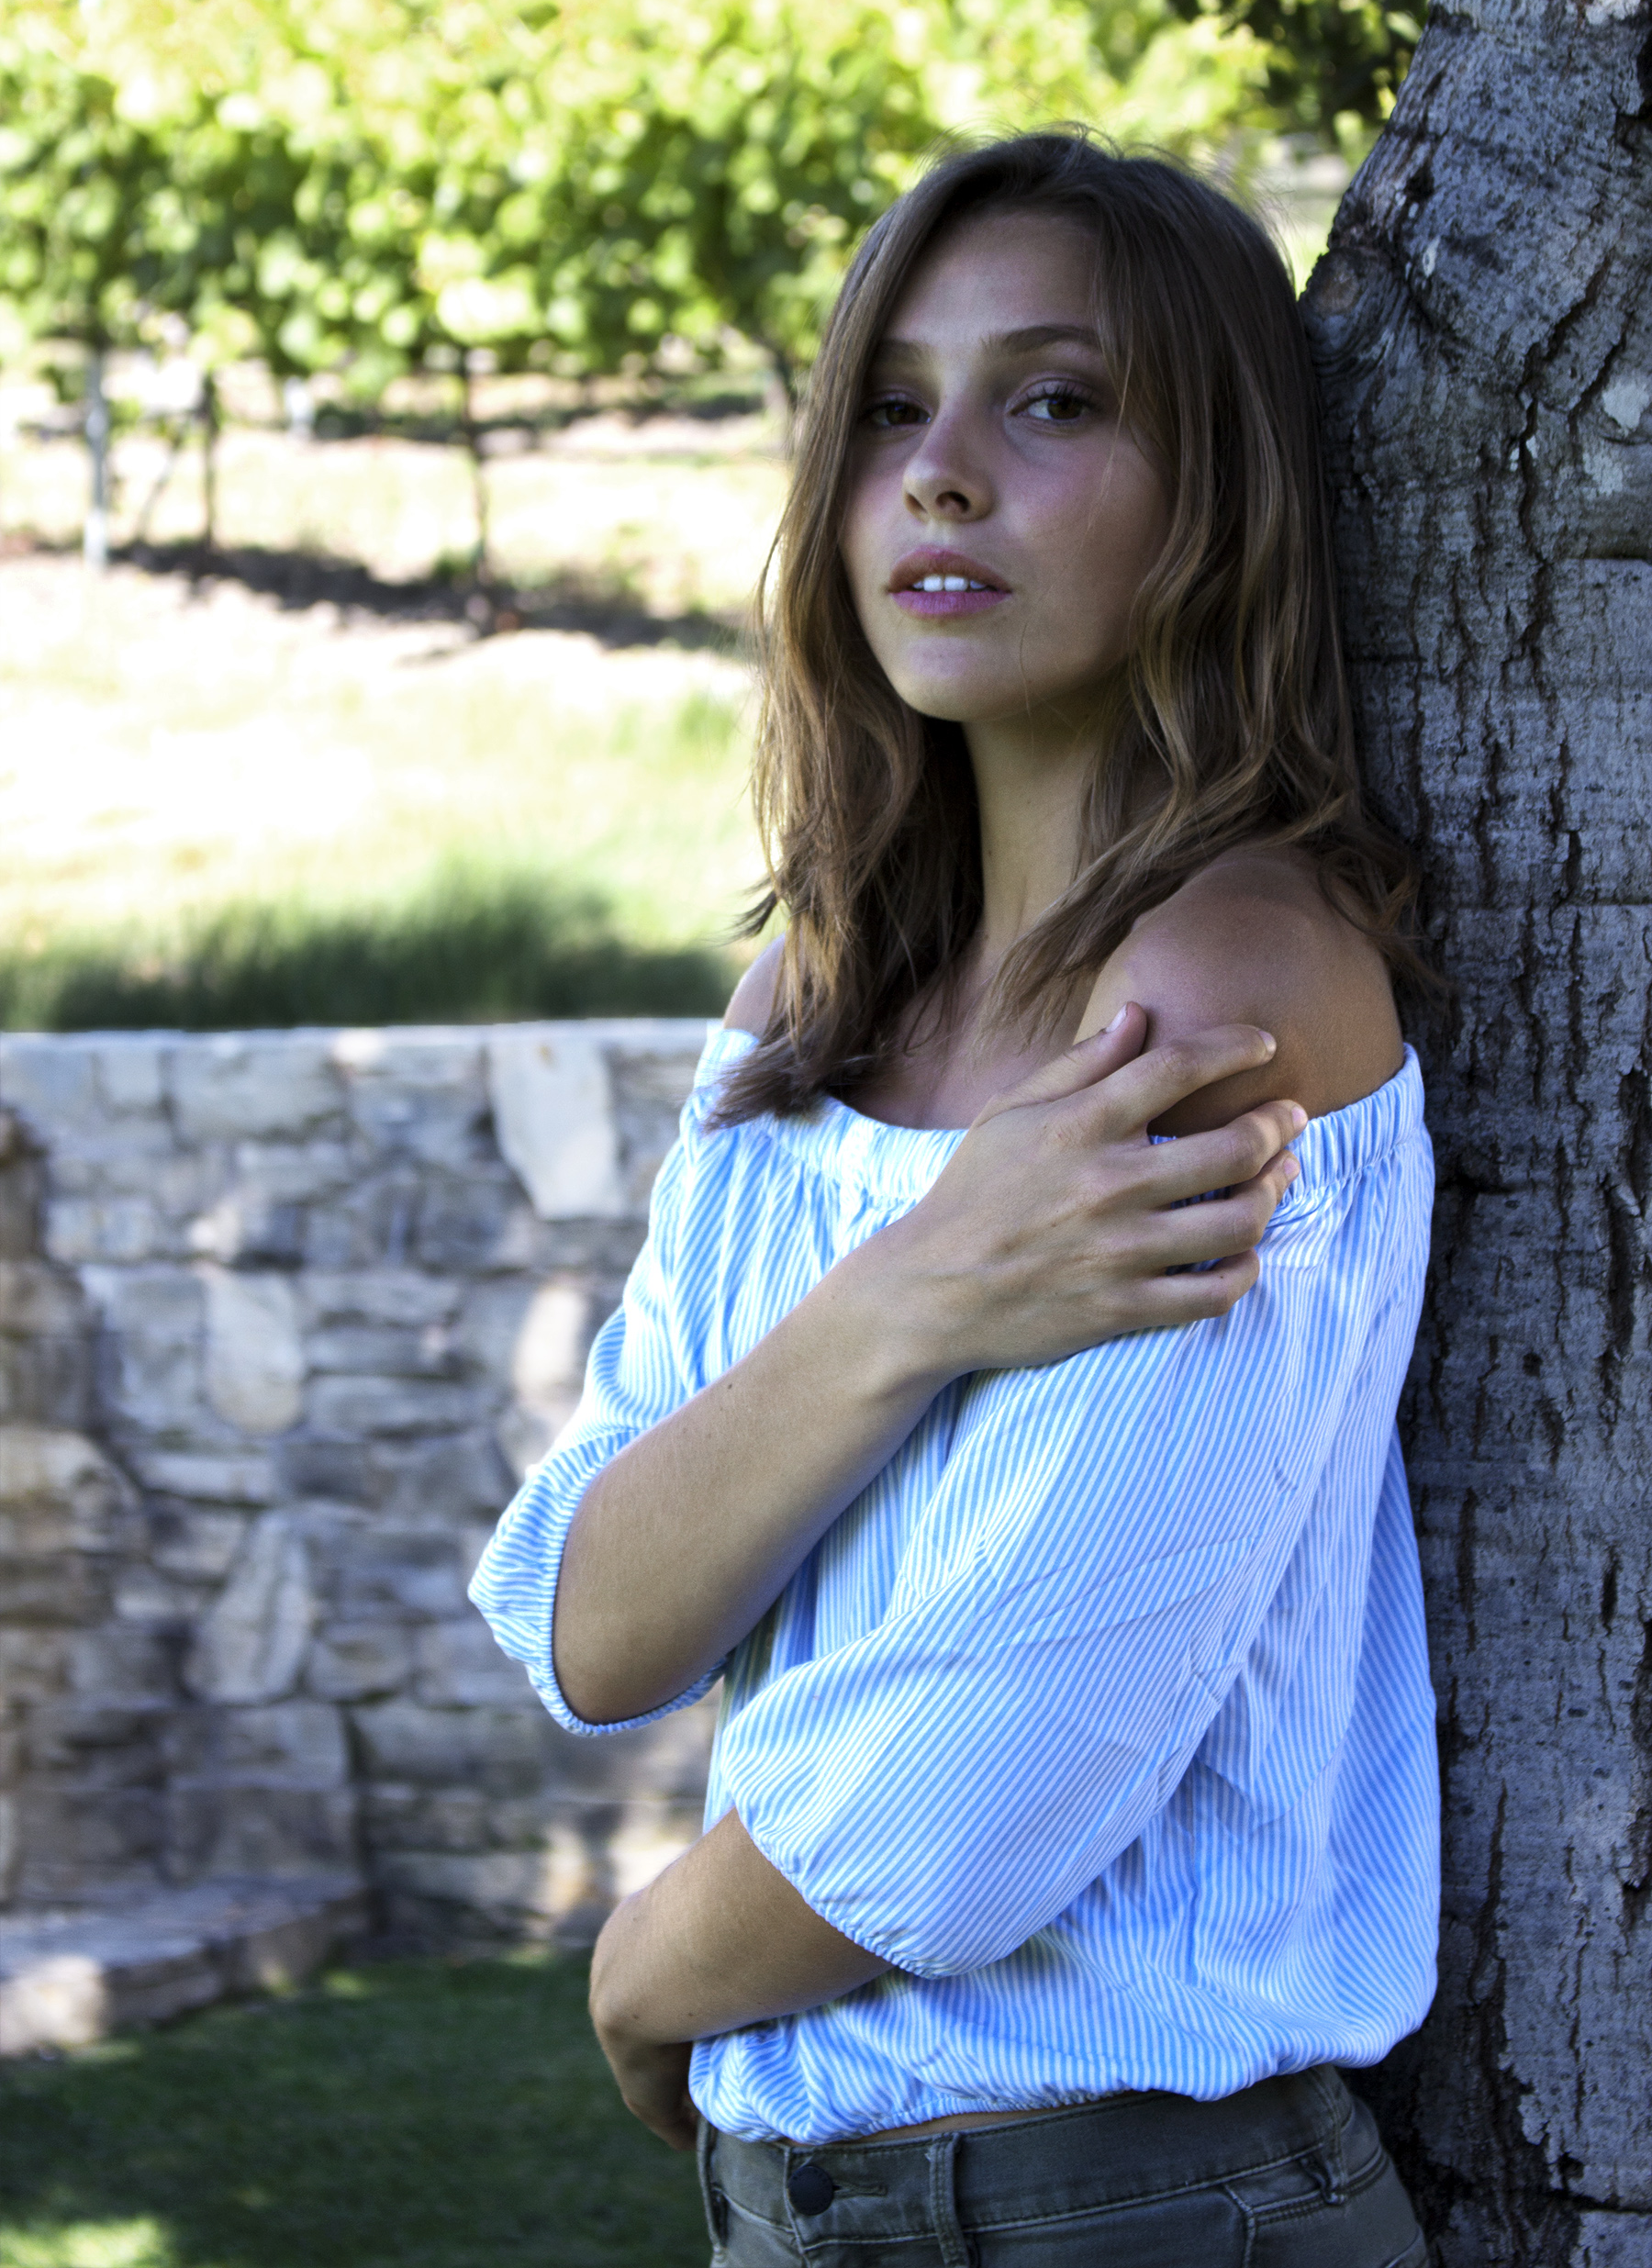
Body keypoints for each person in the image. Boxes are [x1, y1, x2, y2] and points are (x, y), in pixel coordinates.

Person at [471, 128, 1437, 2265]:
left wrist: (640, 1974)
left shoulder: (1224, 1001)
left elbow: (971, 1792)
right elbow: (589, 1619)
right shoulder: (815, 1005)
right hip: (822, 2209)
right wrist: (916, 1292)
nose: (938, 477)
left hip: (1129, 2208)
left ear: (1218, 494)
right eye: (891, 409)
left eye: (1055, 401)